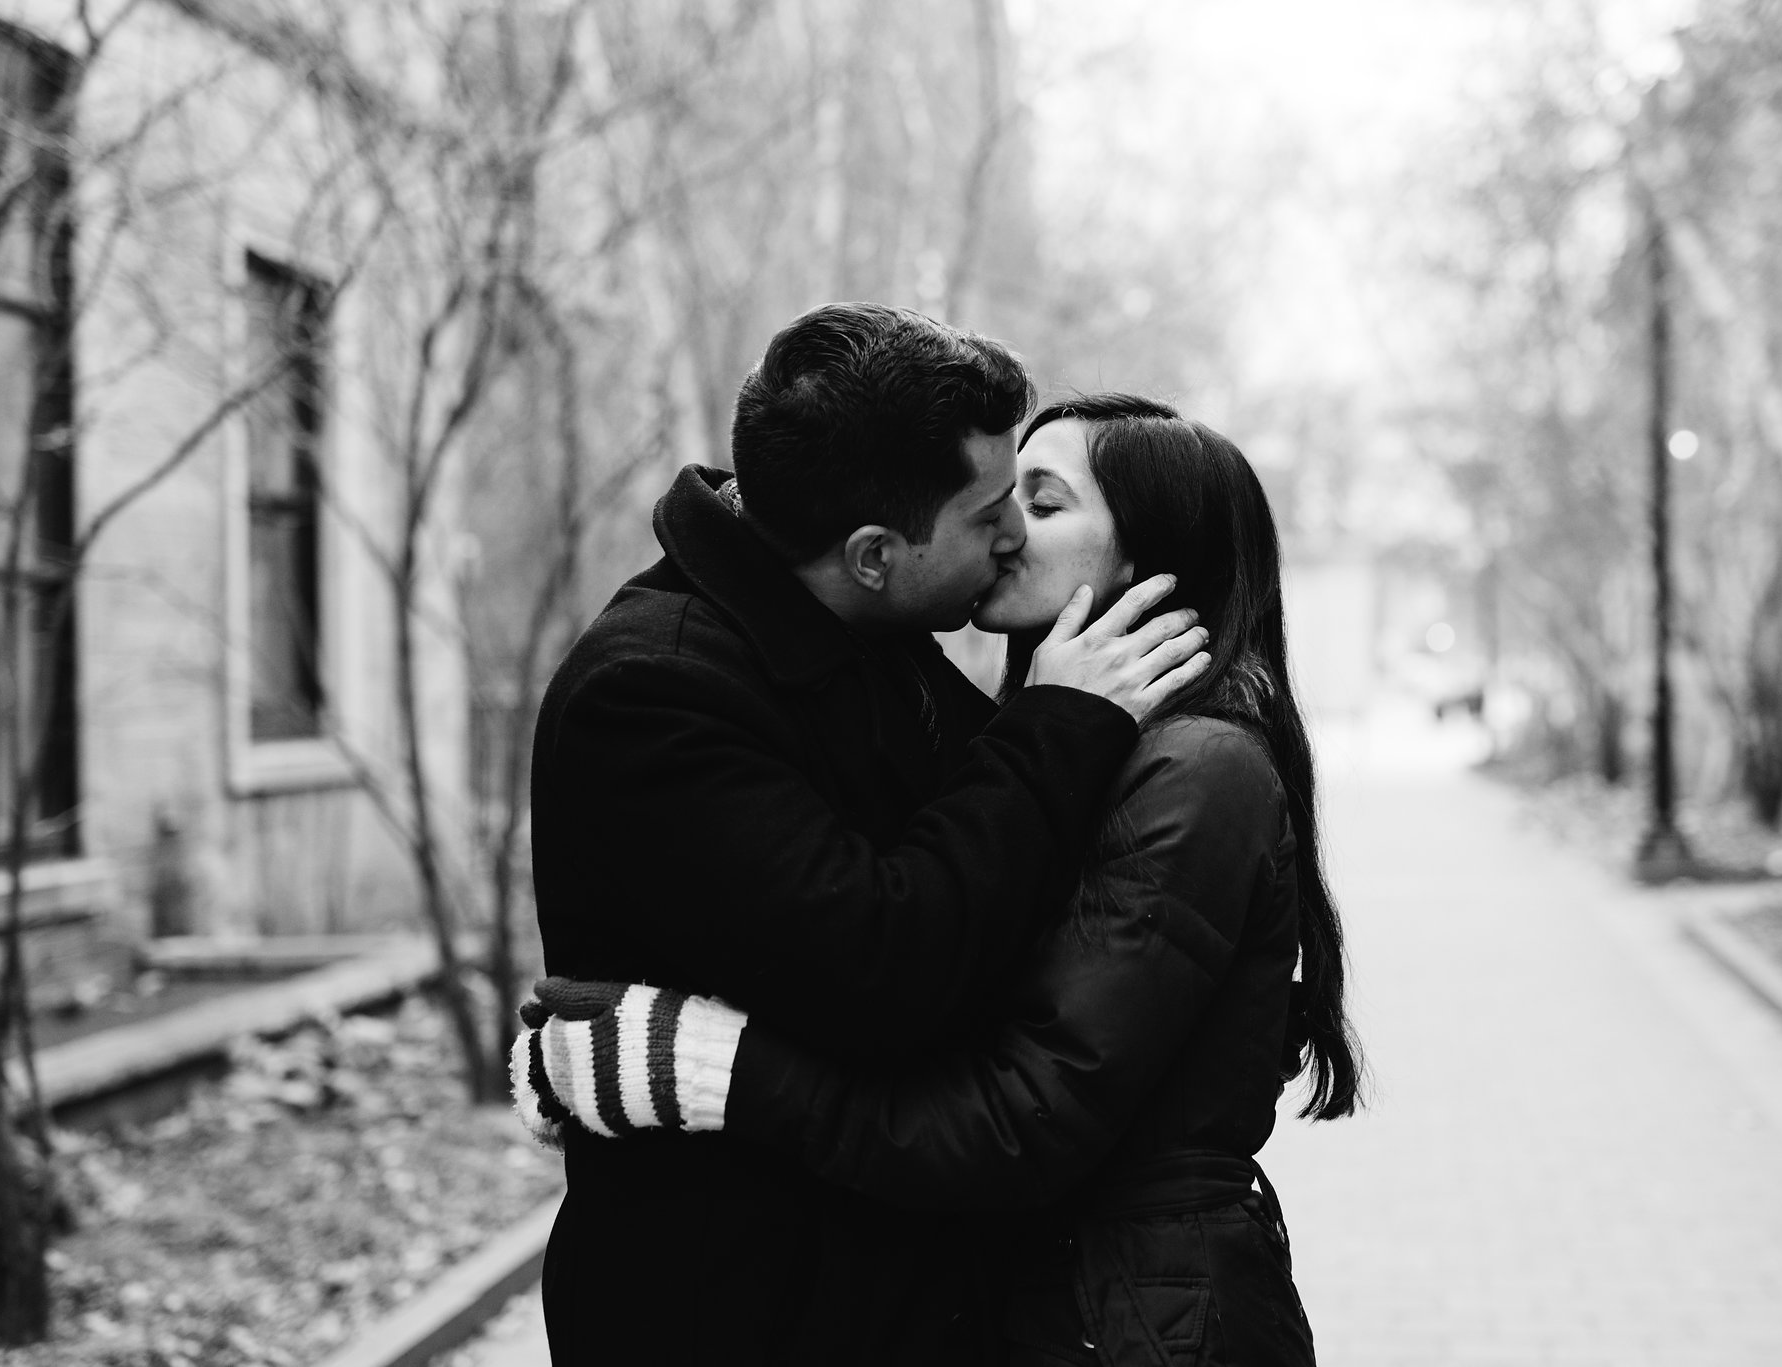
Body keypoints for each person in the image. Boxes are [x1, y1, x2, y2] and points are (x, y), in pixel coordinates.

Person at [519, 394, 1363, 1365]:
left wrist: (711, 1063)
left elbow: (1020, 1116)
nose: (1003, 535)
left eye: (1040, 505)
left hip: (1144, 1320)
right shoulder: (1073, 738)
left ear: (1142, 561)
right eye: (1000, 501)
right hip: (1066, 1299)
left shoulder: (1196, 772)